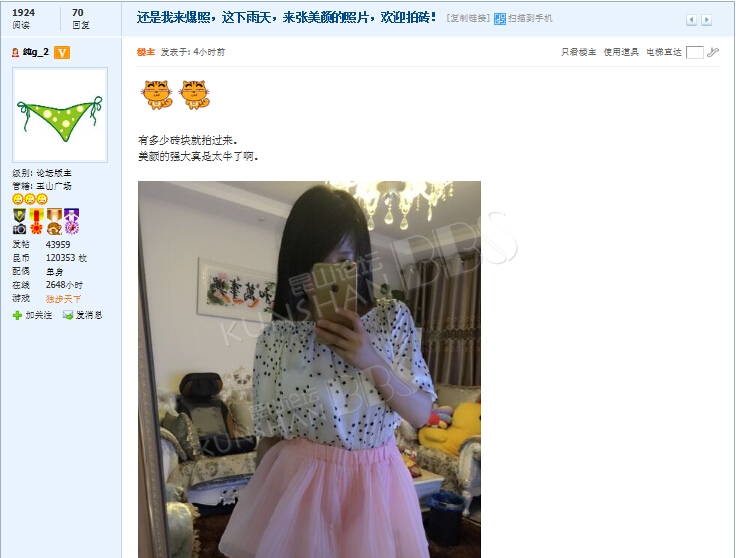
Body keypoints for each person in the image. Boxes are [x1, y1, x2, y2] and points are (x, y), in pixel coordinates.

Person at [219, 185, 436, 558]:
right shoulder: (277, 337)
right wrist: (262, 512)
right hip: (301, 487)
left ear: (360, 261)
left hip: (377, 486)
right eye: (317, 265)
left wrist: (369, 358)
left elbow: (420, 413)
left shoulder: (391, 318)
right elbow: (269, 439)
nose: (327, 277)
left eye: (344, 261)